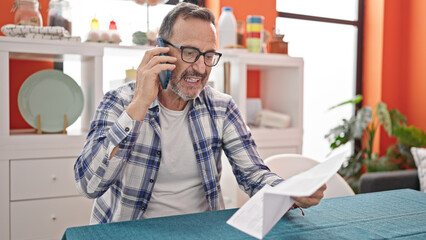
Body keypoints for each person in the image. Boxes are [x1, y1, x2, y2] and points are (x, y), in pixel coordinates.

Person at [74, 2, 326, 224]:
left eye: (208, 55)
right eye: (190, 52)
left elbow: (252, 174)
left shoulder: (221, 107)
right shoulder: (119, 102)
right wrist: (139, 104)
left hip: (202, 229)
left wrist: (288, 191)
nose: (200, 67)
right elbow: (89, 185)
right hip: (131, 230)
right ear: (161, 49)